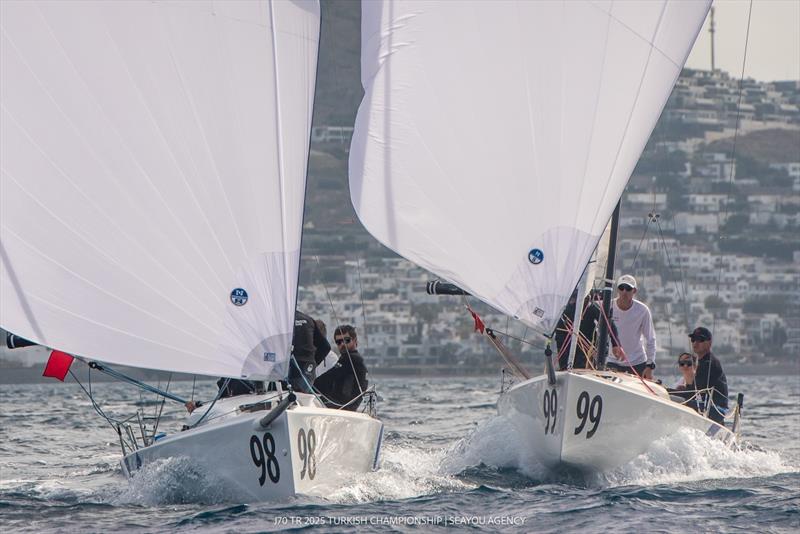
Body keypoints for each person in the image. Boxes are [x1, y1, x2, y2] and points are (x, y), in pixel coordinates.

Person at [606, 274, 657, 379]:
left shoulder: (643, 311)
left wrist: (650, 365)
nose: (624, 291)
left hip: (637, 362)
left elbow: (651, 339)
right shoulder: (607, 306)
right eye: (621, 288)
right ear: (618, 290)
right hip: (612, 361)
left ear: (634, 291)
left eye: (628, 288)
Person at [555, 289, 619, 370]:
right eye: (573, 298)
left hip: (585, 348)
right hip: (566, 344)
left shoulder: (592, 308)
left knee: (580, 366)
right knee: (565, 366)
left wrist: (616, 344)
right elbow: (559, 335)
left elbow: (609, 324)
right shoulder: (565, 310)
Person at [314, 324, 368, 411]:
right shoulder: (350, 358)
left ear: (355, 340)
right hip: (343, 405)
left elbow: (329, 377)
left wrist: (308, 386)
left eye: (346, 340)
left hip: (342, 406)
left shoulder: (351, 359)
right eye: (338, 342)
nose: (342, 344)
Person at [684, 326, 729, 425]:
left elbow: (692, 393)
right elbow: (695, 392)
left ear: (709, 343)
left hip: (716, 410)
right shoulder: (701, 362)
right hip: (708, 407)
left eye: (700, 339)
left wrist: (667, 392)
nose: (695, 343)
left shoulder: (709, 363)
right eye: (693, 339)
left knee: (678, 400)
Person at [288, 310, 331, 393]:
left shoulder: (284, 320)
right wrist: (312, 364)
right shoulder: (308, 319)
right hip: (308, 373)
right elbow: (326, 347)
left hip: (290, 373)